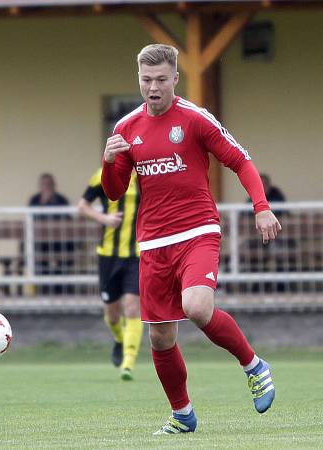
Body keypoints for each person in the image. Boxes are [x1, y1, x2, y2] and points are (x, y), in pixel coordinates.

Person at [101, 44, 281, 435]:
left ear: (175, 79)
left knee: (197, 307)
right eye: (146, 80)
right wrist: (109, 160)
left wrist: (261, 206)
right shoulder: (125, 129)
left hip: (198, 231)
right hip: (153, 242)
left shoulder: (195, 119)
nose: (153, 87)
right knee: (160, 335)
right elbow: (114, 191)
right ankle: (182, 414)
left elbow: (241, 160)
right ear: (139, 79)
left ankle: (253, 366)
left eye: (161, 80)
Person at [78, 168, 142, 381]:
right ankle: (119, 339)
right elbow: (83, 205)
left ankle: (128, 363)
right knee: (112, 314)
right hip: (108, 256)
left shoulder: (146, 173)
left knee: (133, 308)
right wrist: (104, 218)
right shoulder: (103, 174)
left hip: (137, 255)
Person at [28, 173, 73, 294]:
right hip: (40, 242)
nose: (47, 187)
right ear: (40, 186)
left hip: (59, 241)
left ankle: (60, 289)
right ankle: (43, 289)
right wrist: (43, 202)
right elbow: (31, 219)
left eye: (49, 184)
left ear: (54, 185)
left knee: (65, 253)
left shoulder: (61, 199)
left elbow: (68, 220)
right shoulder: (35, 200)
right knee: (36, 254)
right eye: (44, 184)